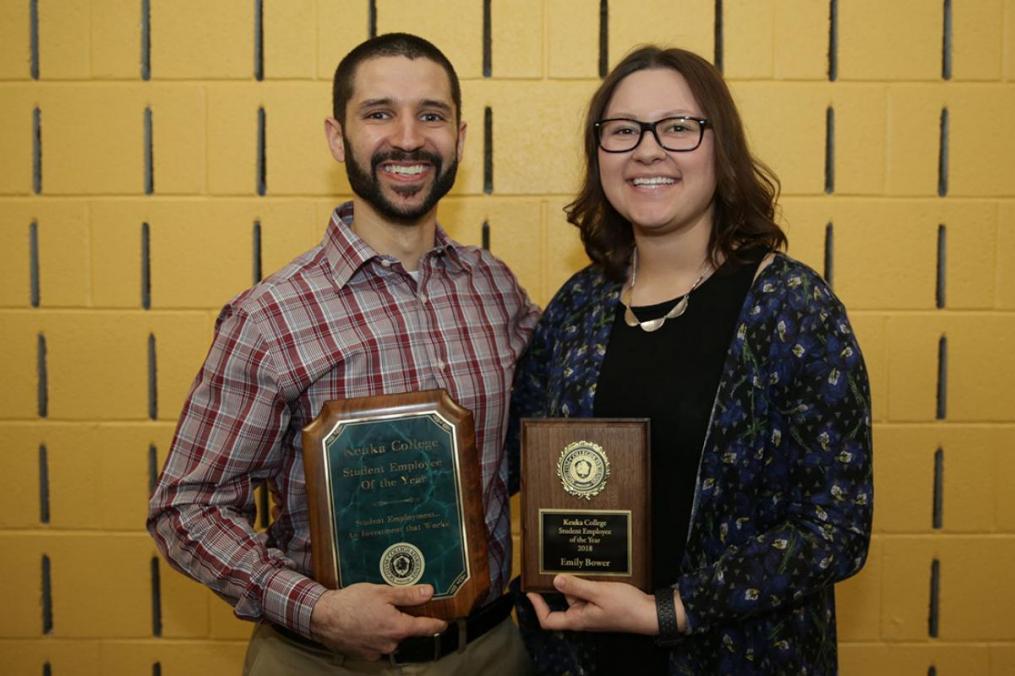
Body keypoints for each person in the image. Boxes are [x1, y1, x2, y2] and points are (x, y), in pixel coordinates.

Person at [147, 33, 538, 676]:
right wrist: (314, 609)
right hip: (322, 661)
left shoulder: (496, 289)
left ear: (460, 138)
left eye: (431, 115)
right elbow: (186, 507)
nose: (408, 138)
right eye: (379, 113)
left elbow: (524, 453)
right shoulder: (269, 317)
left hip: (491, 651)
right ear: (338, 137)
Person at [509, 45, 873, 674]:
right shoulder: (579, 306)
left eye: (678, 127)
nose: (647, 150)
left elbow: (835, 528)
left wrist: (668, 610)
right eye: (622, 131)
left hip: (738, 656)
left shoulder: (793, 307)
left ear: (719, 146)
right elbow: (527, 463)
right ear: (599, 155)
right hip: (583, 657)